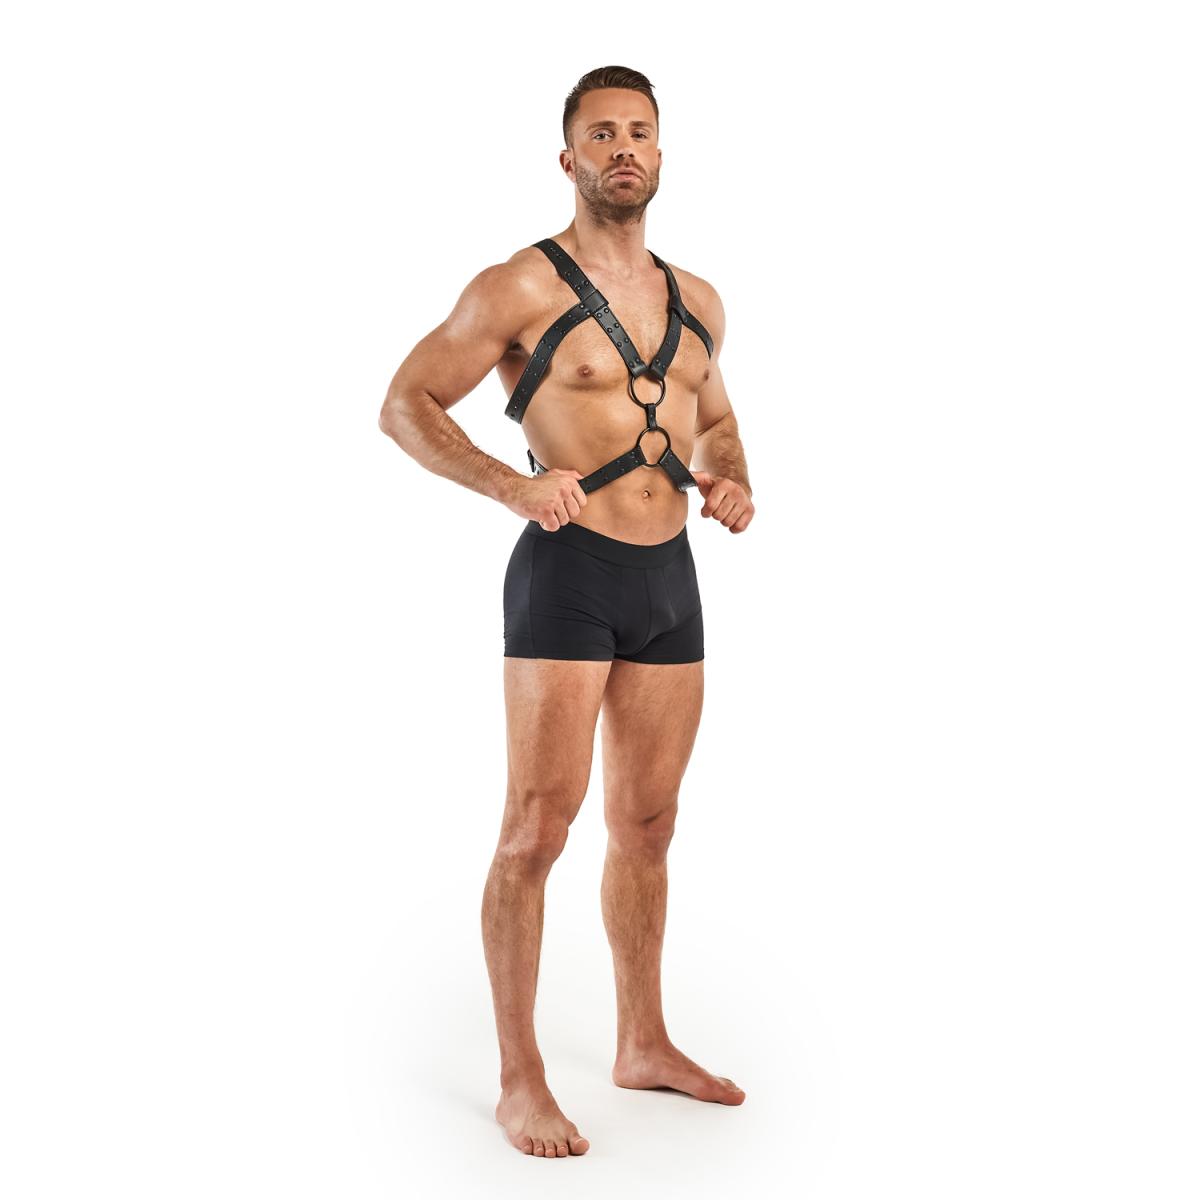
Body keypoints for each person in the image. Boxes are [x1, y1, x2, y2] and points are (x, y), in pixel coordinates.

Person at [378, 65, 755, 1158]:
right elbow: (404, 402)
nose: (622, 148)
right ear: (569, 158)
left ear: (660, 154)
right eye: (601, 134)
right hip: (569, 575)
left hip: (670, 578)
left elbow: (715, 419)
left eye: (639, 131)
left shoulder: (698, 300)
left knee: (649, 826)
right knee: (536, 830)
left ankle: (643, 1042)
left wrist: (732, 477)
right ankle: (519, 1079)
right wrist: (510, 484)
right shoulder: (519, 286)